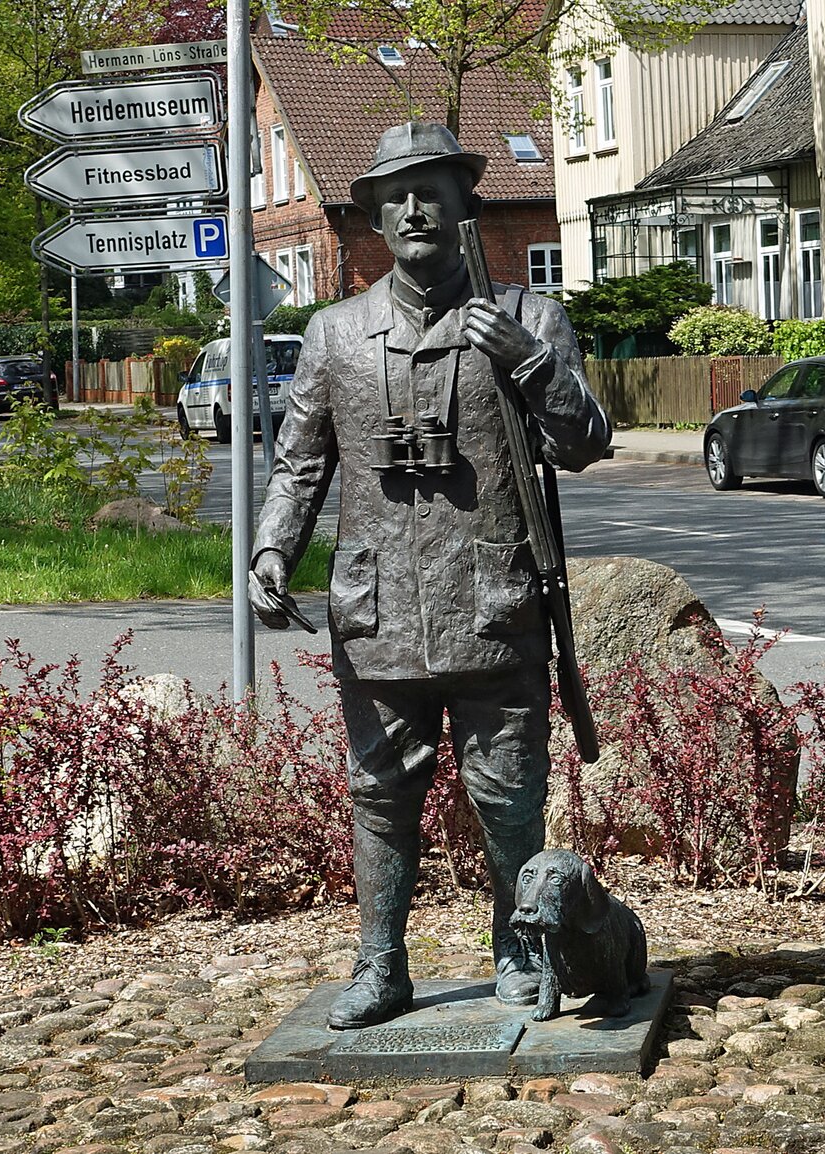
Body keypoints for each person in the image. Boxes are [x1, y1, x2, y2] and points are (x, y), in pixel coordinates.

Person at [247, 122, 611, 1030]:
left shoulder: (528, 319)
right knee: (379, 793)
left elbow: (584, 443)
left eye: (433, 192)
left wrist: (528, 363)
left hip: (496, 605)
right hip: (377, 613)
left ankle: (519, 952)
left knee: (509, 795)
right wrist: (271, 550)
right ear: (374, 216)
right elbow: (300, 462)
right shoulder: (335, 334)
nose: (415, 210)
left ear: (464, 205)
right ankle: (380, 964)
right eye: (396, 196)